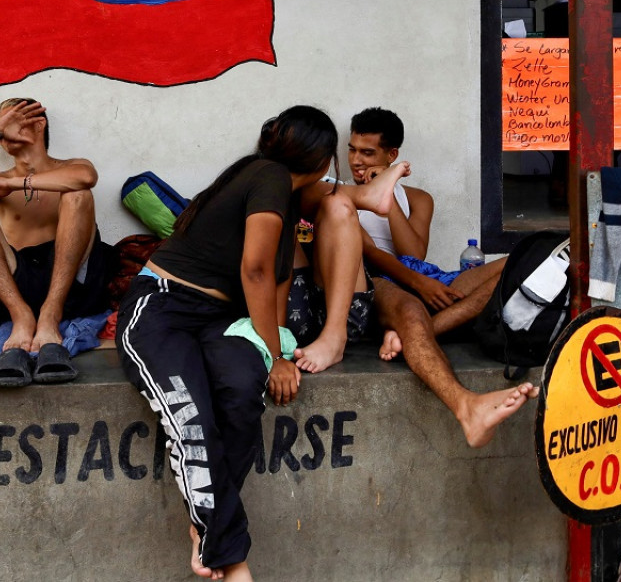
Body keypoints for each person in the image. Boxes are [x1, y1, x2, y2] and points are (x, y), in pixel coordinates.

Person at [116, 106, 406, 581]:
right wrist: (275, 356)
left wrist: (269, 356)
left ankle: (206, 527)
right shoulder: (268, 176)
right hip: (162, 310)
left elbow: (276, 273)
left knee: (241, 391)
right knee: (191, 417)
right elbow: (254, 270)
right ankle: (232, 562)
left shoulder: (284, 193)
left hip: (219, 318)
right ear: (317, 161)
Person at [338, 107, 534, 448]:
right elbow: (370, 254)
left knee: (517, 262)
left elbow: (414, 252)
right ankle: (463, 404)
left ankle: (412, 334)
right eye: (353, 149)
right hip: (380, 281)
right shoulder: (340, 196)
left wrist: (389, 193)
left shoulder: (418, 198)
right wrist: (418, 285)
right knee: (412, 310)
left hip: (422, 275)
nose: (357, 160)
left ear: (391, 155)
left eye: (367, 153)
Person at [0, 97, 112, 384]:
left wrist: (16, 184)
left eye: (10, 119)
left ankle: (50, 314)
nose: (3, 129)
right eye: (0, 124)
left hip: (68, 282)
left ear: (38, 124)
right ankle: (22, 317)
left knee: (78, 194)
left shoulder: (71, 167)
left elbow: (86, 177)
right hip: (18, 284)